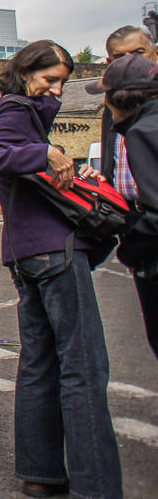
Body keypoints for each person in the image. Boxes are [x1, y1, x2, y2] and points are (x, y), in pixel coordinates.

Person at [0, 40, 121, 499]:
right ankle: (96, 486)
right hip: (54, 251)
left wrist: (60, 165)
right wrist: (46, 154)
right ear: (25, 71)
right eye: (49, 79)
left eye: (60, 81)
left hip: (26, 252)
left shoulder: (20, 111)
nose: (55, 90)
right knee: (83, 366)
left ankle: (40, 473)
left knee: (39, 362)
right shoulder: (16, 109)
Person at [90, 26, 158, 362]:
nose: (129, 61)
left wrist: (133, 248)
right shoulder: (114, 110)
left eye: (139, 53)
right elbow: (113, 158)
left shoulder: (147, 124)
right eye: (119, 57)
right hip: (132, 215)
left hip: (148, 224)